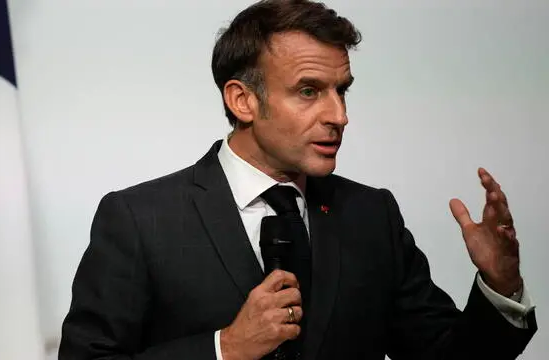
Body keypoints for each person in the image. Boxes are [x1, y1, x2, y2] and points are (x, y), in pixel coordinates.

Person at [58, 0, 537, 359]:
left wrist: (501, 284)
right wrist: (223, 348)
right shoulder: (141, 219)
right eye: (309, 91)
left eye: (341, 91)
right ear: (242, 101)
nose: (339, 116)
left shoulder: (371, 216)